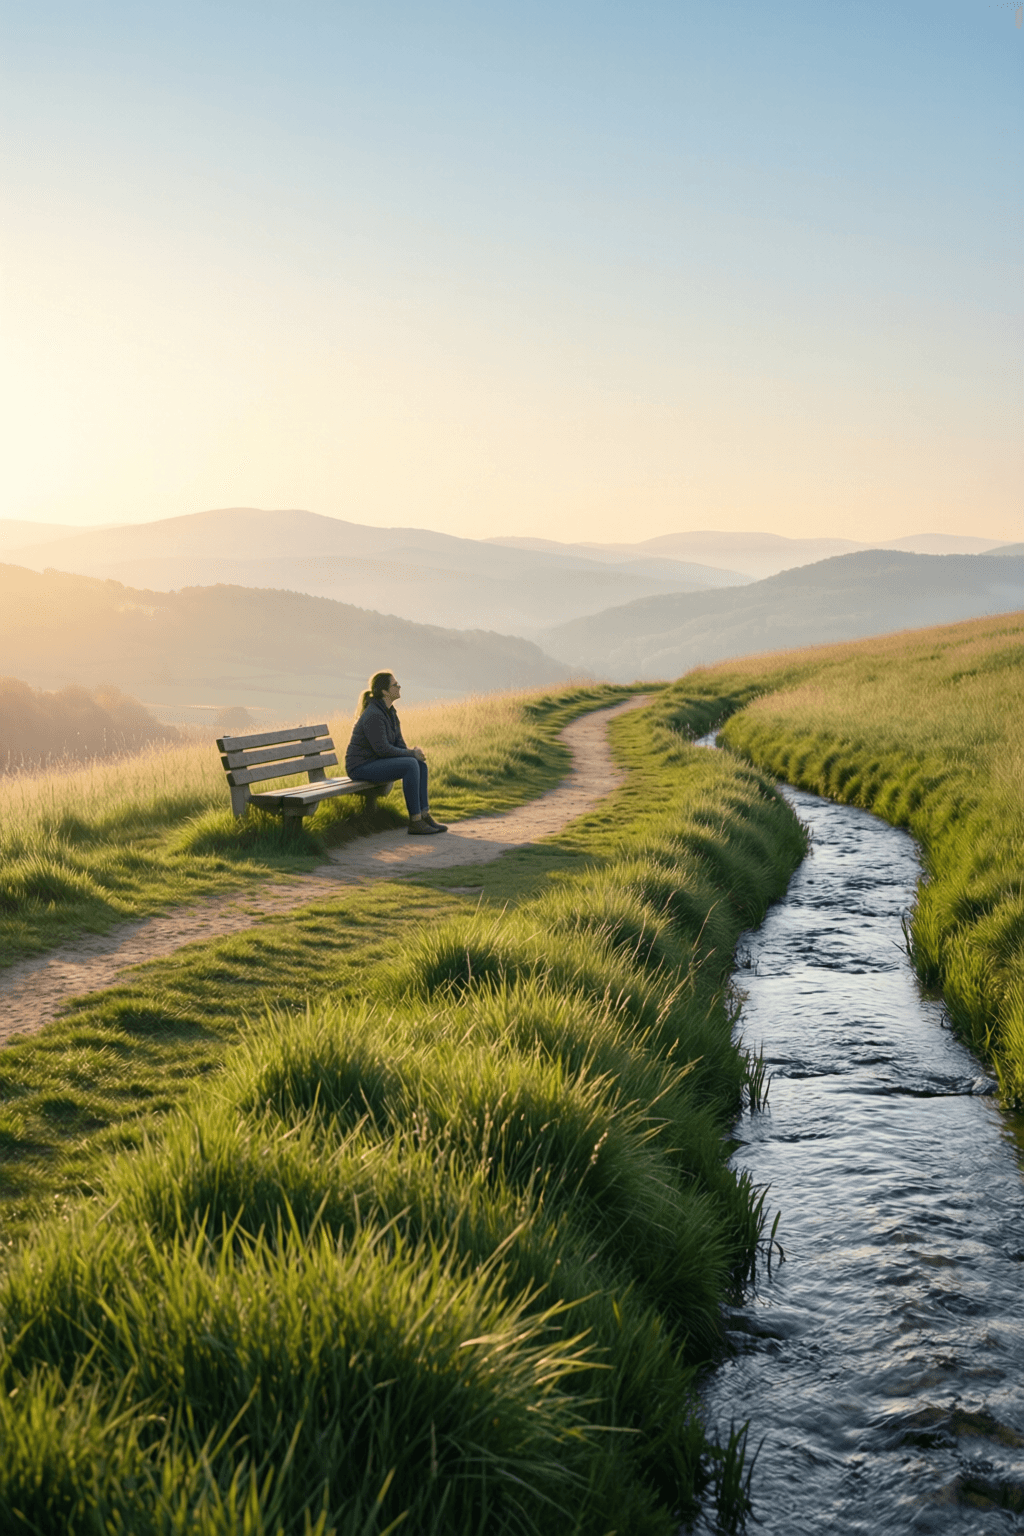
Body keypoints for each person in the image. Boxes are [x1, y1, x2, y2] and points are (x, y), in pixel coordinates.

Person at [345, 671, 447, 835]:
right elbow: (383, 749)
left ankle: (424, 815)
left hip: (375, 762)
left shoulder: (390, 712)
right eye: (395, 684)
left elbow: (399, 744)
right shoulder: (374, 715)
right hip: (361, 767)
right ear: (385, 691)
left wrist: (412, 753)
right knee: (411, 763)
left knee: (420, 764)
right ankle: (415, 822)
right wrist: (411, 754)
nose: (399, 686)